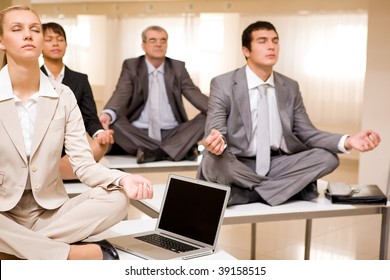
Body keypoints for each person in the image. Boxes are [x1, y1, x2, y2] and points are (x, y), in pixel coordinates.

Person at [0, 5, 153, 260]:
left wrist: (123, 179)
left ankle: (16, 247)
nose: (28, 35)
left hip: (50, 212)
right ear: (2, 41)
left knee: (116, 199)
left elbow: (83, 164)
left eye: (34, 30)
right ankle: (69, 254)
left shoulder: (63, 95)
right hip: (3, 212)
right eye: (17, 29)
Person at [199, 21, 381, 207]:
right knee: (210, 162)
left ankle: (248, 195)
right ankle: (283, 190)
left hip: (276, 163)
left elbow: (307, 133)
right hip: (237, 163)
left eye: (275, 41)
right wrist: (215, 142)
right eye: (262, 41)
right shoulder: (223, 84)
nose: (271, 46)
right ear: (246, 51)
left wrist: (349, 141)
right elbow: (215, 130)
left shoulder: (290, 87)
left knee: (327, 158)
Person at [99, 25, 208, 163]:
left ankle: (155, 153)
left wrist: (221, 110)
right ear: (143, 45)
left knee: (209, 116)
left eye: (163, 40)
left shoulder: (178, 68)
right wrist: (107, 114)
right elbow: (121, 92)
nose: (158, 44)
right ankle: (176, 150)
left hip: (172, 132)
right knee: (113, 120)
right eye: (153, 40)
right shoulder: (132, 66)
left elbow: (194, 94)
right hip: (139, 132)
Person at [40, 22, 113, 180]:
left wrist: (100, 133)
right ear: (40, 45)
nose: (55, 43)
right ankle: (56, 173)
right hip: (41, 147)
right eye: (49, 39)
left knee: (101, 144)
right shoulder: (33, 77)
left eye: (60, 39)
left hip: (70, 149)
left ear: (66, 45)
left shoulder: (80, 79)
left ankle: (52, 174)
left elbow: (90, 117)